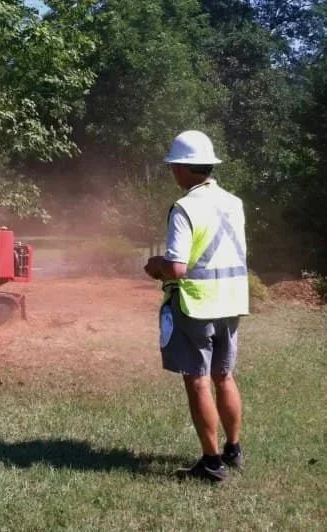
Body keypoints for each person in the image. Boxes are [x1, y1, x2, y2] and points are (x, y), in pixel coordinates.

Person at [144, 130, 249, 482]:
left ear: (182, 168)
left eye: (173, 166)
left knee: (199, 380)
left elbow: (176, 268)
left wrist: (155, 265)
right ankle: (233, 449)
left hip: (196, 303)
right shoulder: (234, 202)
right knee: (224, 376)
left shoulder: (185, 208)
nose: (172, 171)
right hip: (231, 300)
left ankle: (211, 462)